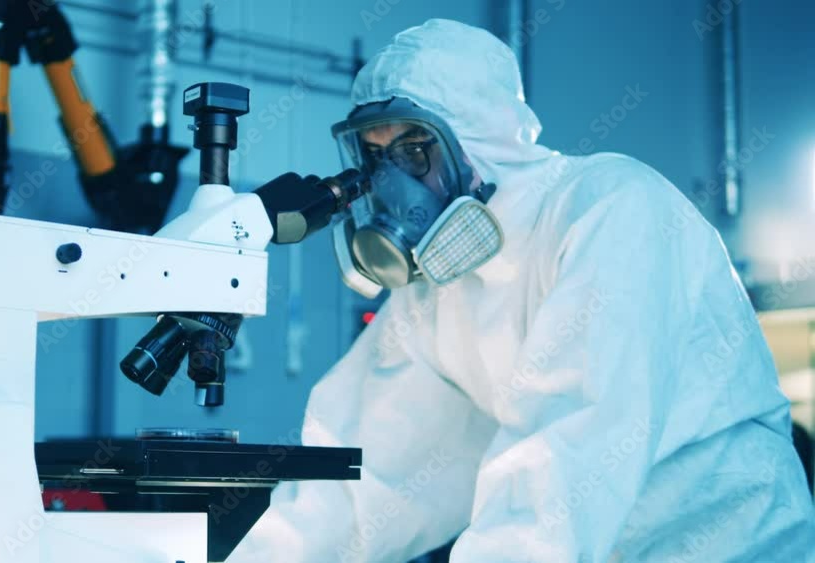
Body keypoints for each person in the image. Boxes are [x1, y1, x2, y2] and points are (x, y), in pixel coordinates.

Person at [227, 19, 815, 563]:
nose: (390, 182)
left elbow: (566, 451)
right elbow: (362, 483)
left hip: (737, 544)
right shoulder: (437, 291)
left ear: (477, 144)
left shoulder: (609, 209)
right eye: (376, 156)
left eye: (413, 150)